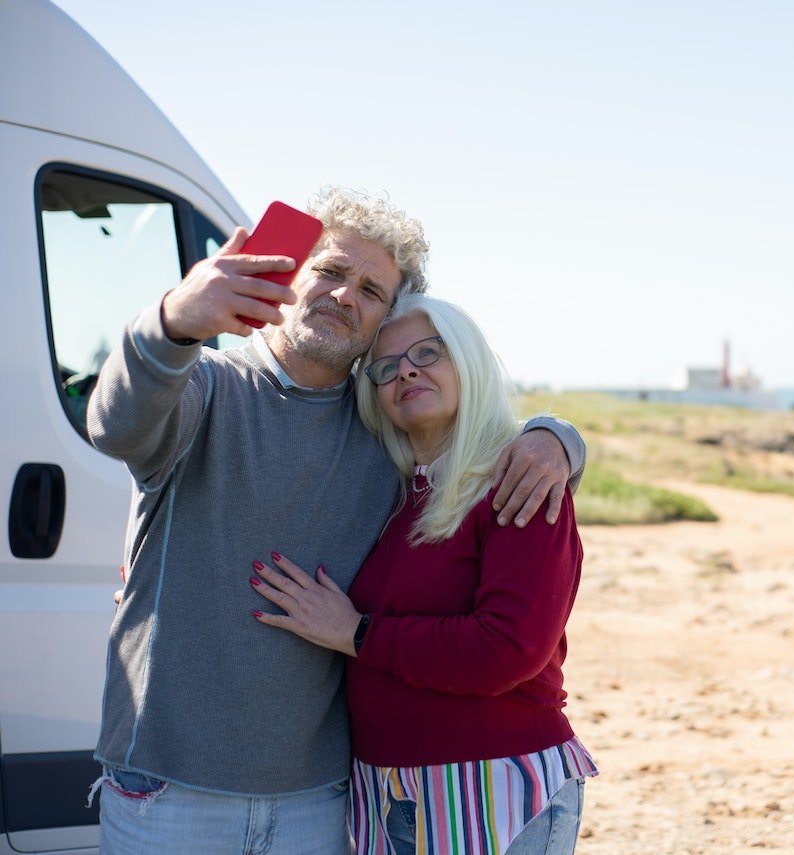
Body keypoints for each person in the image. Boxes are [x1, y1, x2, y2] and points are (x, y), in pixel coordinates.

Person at [86, 188, 585, 855]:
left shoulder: (385, 435)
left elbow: (467, 440)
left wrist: (556, 438)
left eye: (371, 289)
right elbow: (114, 423)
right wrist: (174, 321)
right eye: (330, 271)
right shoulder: (205, 391)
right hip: (171, 787)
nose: (345, 294)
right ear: (291, 275)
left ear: (383, 321)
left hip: (318, 799)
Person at [248, 293, 596, 855]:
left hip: (491, 785)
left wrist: (356, 633)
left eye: (428, 352)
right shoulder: (389, 491)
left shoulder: (517, 480)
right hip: (387, 791)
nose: (406, 369)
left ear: (468, 361)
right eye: (385, 368)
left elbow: (506, 649)